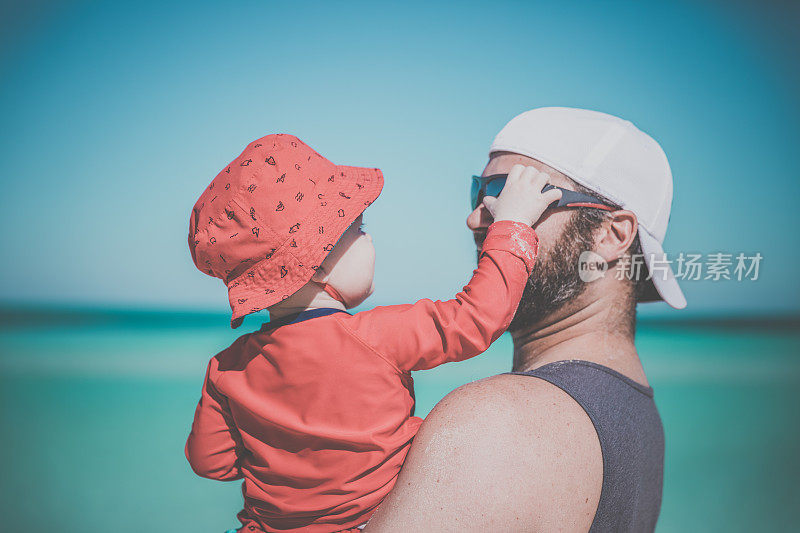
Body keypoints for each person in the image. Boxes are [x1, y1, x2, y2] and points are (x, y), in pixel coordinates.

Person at [184, 133, 564, 532]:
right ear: (316, 260)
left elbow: (211, 463)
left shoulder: (226, 367)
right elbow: (478, 318)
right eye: (359, 228)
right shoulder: (380, 336)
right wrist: (512, 225)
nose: (370, 239)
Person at [363, 107, 687, 532]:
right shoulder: (634, 411)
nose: (477, 218)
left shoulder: (499, 423)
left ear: (612, 235)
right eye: (479, 193)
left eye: (511, 192)